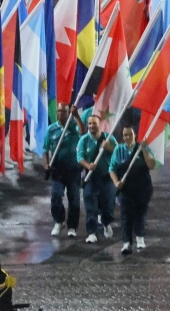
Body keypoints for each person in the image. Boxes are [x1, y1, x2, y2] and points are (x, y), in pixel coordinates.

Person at [109, 124, 155, 255]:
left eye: (130, 134)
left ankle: (140, 237)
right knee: (126, 215)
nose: (127, 137)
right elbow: (112, 169)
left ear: (135, 135)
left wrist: (144, 150)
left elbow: (151, 164)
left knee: (140, 213)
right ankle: (126, 242)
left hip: (142, 187)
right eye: (125, 135)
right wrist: (116, 182)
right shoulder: (118, 150)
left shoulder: (142, 148)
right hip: (126, 189)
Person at [43, 104, 84, 238]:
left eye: (64, 111)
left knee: (74, 199)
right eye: (59, 111)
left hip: (73, 170)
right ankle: (59, 221)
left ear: (68, 113)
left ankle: (72, 226)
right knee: (56, 196)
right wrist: (46, 164)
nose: (61, 114)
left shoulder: (74, 126)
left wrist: (77, 116)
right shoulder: (51, 129)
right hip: (57, 170)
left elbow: (83, 134)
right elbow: (45, 149)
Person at [78, 113, 117, 243]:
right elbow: (80, 157)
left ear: (100, 124)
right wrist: (87, 166)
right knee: (91, 206)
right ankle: (91, 232)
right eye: (89, 123)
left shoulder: (109, 138)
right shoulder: (84, 140)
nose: (92, 126)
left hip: (107, 178)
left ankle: (106, 222)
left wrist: (109, 148)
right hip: (90, 179)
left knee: (108, 205)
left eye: (94, 123)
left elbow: (119, 153)